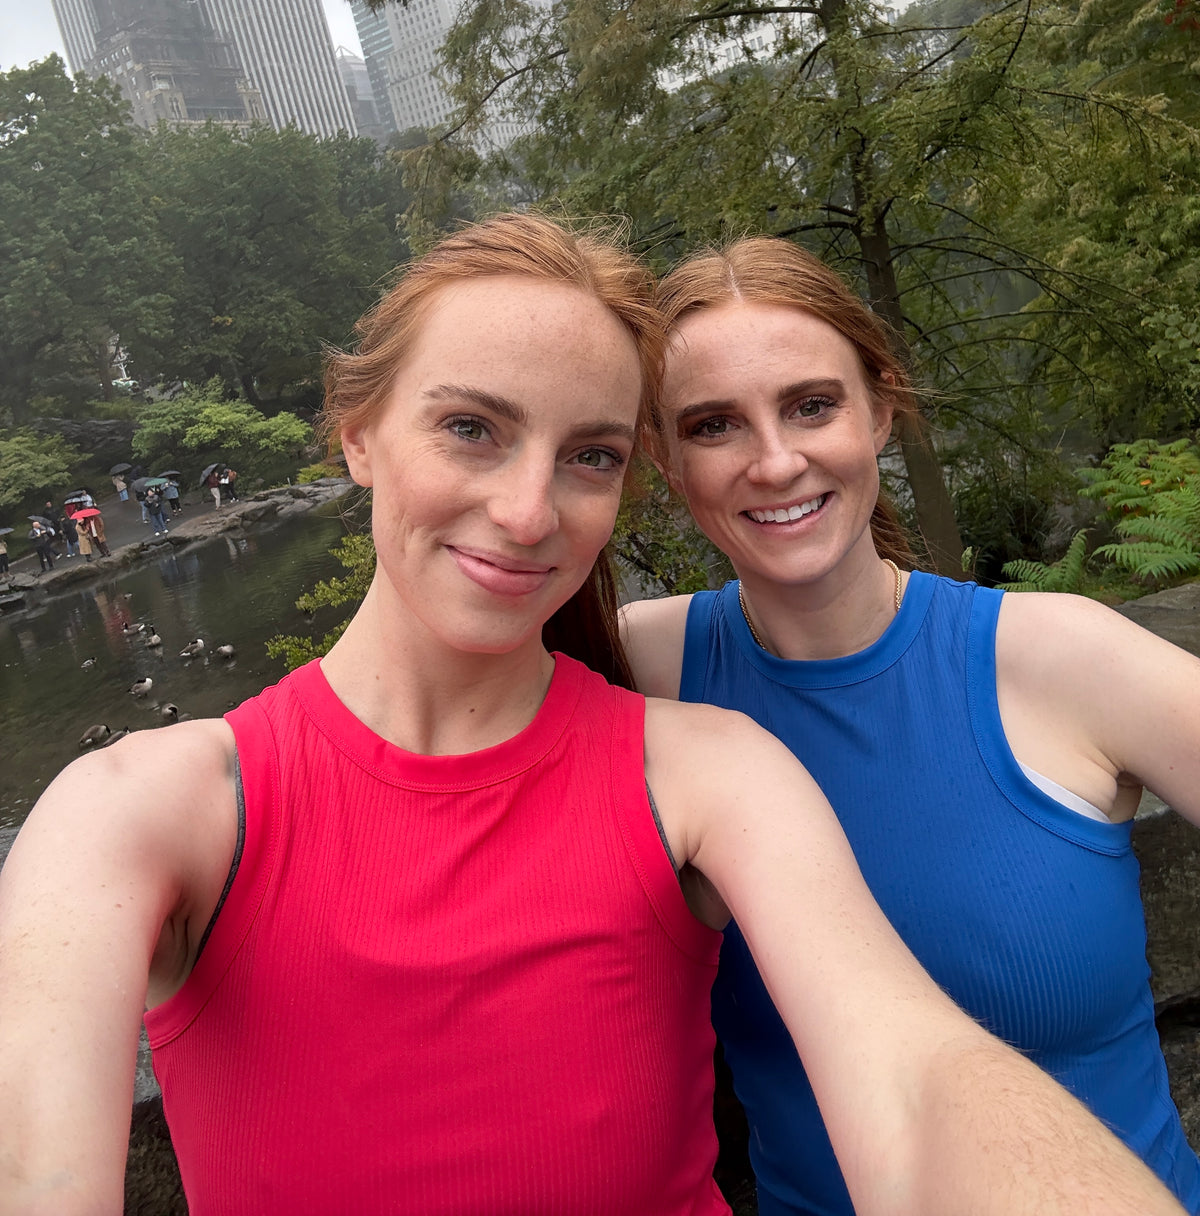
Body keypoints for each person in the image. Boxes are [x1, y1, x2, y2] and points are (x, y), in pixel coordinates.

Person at [0, 216, 1187, 1216]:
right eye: (471, 426)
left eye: (589, 454)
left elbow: (914, 1074)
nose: (527, 512)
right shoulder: (139, 815)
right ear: (356, 435)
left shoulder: (714, 767)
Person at [620, 235, 1200, 1216]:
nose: (775, 459)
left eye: (813, 404)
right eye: (715, 424)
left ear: (880, 409)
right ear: (666, 461)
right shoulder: (642, 675)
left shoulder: (1067, 659)